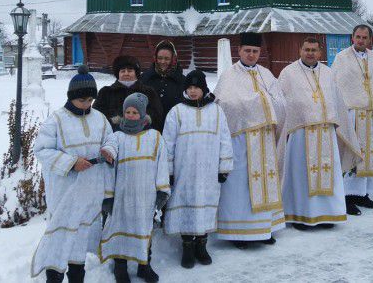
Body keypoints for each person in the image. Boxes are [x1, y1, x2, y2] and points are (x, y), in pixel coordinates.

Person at [30, 66, 113, 283]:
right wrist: (71, 162)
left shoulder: (100, 119)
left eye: (90, 100)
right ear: (72, 97)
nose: (87, 104)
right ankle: (54, 277)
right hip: (65, 193)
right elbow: (41, 150)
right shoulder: (56, 120)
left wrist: (109, 151)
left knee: (80, 238)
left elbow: (111, 140)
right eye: (82, 100)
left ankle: (77, 276)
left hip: (89, 193)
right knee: (60, 237)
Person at [277, 37, 362, 229]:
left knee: (328, 175)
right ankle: (300, 215)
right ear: (300, 50)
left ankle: (328, 215)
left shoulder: (328, 73)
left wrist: (344, 130)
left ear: (320, 53)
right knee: (300, 176)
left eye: (314, 50)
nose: (310, 53)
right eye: (306, 49)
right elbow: (281, 104)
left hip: (326, 133)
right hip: (300, 134)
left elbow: (338, 102)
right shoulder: (288, 73)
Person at [213, 32, 286, 247]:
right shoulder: (229, 75)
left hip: (264, 139)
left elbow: (280, 101)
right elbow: (224, 103)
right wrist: (253, 106)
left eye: (255, 51)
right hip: (241, 139)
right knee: (240, 186)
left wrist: (270, 108)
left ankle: (265, 228)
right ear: (239, 51)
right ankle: (239, 232)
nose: (251, 55)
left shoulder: (267, 74)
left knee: (265, 182)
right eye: (247, 51)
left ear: (259, 52)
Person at [162, 70, 233, 268]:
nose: (193, 91)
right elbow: (168, 143)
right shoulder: (177, 111)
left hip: (209, 172)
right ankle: (187, 247)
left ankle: (201, 246)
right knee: (186, 205)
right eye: (189, 88)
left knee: (205, 206)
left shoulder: (216, 111)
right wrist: (168, 171)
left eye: (197, 87)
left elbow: (225, 138)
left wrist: (224, 166)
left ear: (204, 89)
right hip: (184, 171)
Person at [99, 93, 170, 283]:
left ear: (142, 114)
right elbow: (109, 150)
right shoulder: (117, 136)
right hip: (122, 196)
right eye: (127, 112)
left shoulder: (155, 137)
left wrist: (162, 190)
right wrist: (108, 196)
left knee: (144, 230)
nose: (130, 115)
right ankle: (120, 267)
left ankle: (144, 266)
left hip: (145, 197)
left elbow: (162, 163)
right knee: (119, 230)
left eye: (134, 112)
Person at [330, 24, 373, 214]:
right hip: (352, 113)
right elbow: (336, 84)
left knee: (370, 155)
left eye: (364, 38)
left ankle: (363, 194)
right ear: (352, 37)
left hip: (371, 113)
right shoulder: (342, 58)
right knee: (352, 153)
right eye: (358, 37)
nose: (361, 41)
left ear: (370, 40)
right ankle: (348, 197)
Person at [94, 55, 165, 132]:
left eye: (130, 70)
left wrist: (144, 120)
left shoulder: (148, 92)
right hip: (114, 136)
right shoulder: (106, 92)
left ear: (136, 73)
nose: (126, 73)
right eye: (123, 71)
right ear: (118, 74)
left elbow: (157, 114)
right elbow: (97, 116)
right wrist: (114, 122)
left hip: (142, 137)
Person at [141, 41, 186, 117]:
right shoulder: (145, 78)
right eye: (160, 58)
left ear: (173, 59)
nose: (163, 61)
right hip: (149, 126)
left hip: (174, 126)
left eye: (167, 58)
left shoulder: (183, 81)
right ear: (155, 58)